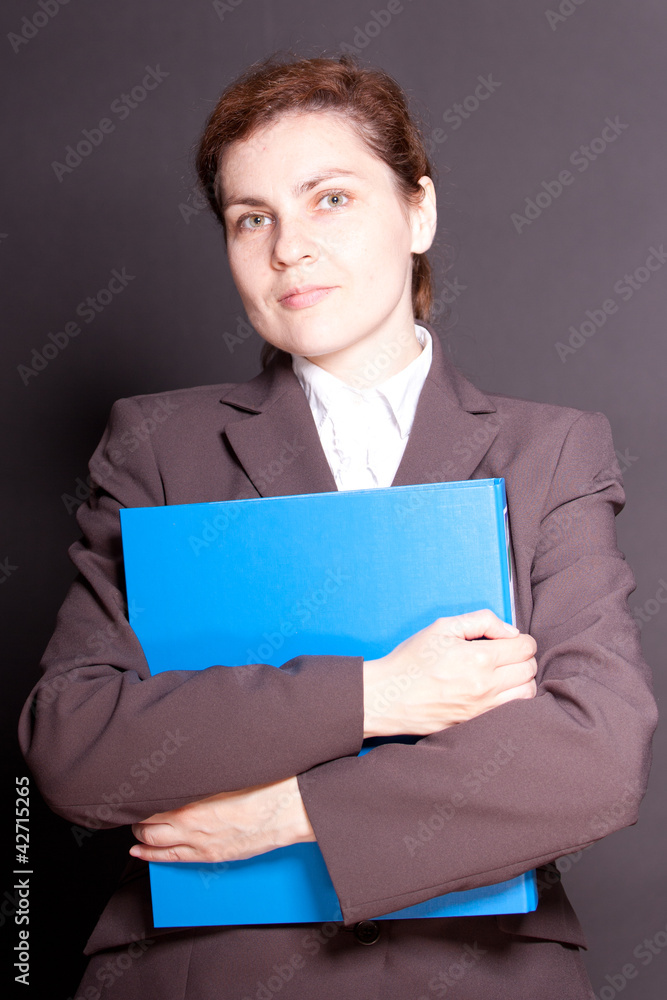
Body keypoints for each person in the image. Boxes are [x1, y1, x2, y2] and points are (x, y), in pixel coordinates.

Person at [19, 53, 657, 1000]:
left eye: (330, 199)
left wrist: (289, 813)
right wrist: (376, 694)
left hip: (479, 975)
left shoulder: (550, 451)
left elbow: (593, 756)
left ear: (418, 212)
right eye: (252, 218)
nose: (288, 249)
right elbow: (74, 747)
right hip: (206, 973)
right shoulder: (157, 446)